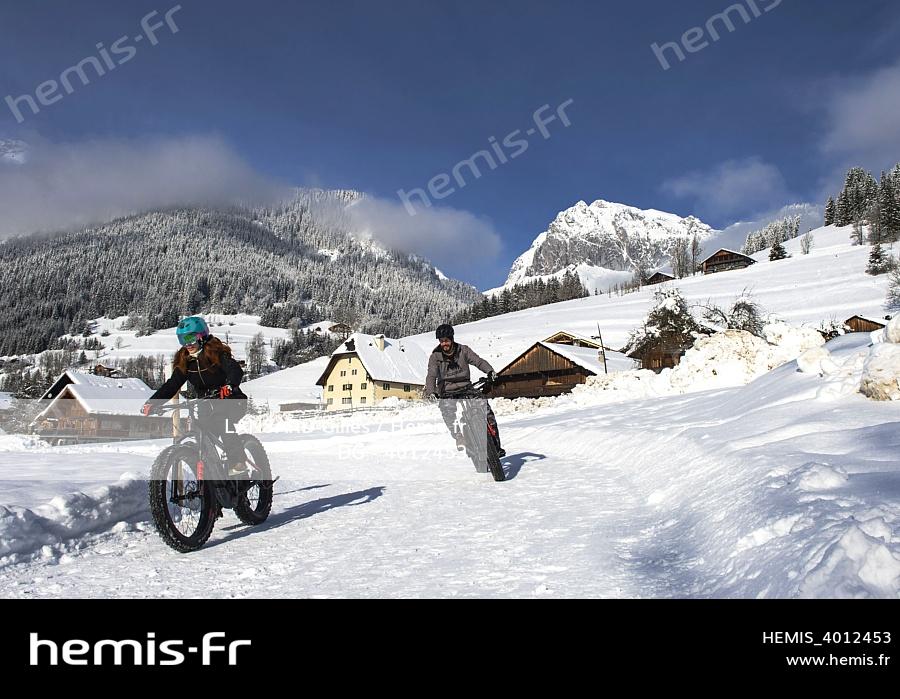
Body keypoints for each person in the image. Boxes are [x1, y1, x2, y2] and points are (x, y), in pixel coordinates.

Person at [141, 316, 249, 476]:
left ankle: (238, 461)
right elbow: (172, 384)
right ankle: (212, 476)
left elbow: (235, 370)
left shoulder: (216, 354)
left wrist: (229, 386)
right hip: (205, 403)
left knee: (225, 425)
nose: (188, 344)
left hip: (230, 400)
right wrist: (153, 402)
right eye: (182, 339)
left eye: (191, 338)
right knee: (201, 435)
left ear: (202, 336)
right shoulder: (186, 361)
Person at [424, 323, 505, 457]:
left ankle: (496, 446)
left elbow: (478, 361)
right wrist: (431, 391)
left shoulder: (463, 350)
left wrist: (490, 371)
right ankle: (458, 436)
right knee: (447, 411)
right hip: (447, 390)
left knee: (486, 410)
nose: (444, 344)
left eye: (446, 340)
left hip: (466, 387)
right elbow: (431, 375)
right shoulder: (435, 357)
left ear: (452, 339)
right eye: (441, 341)